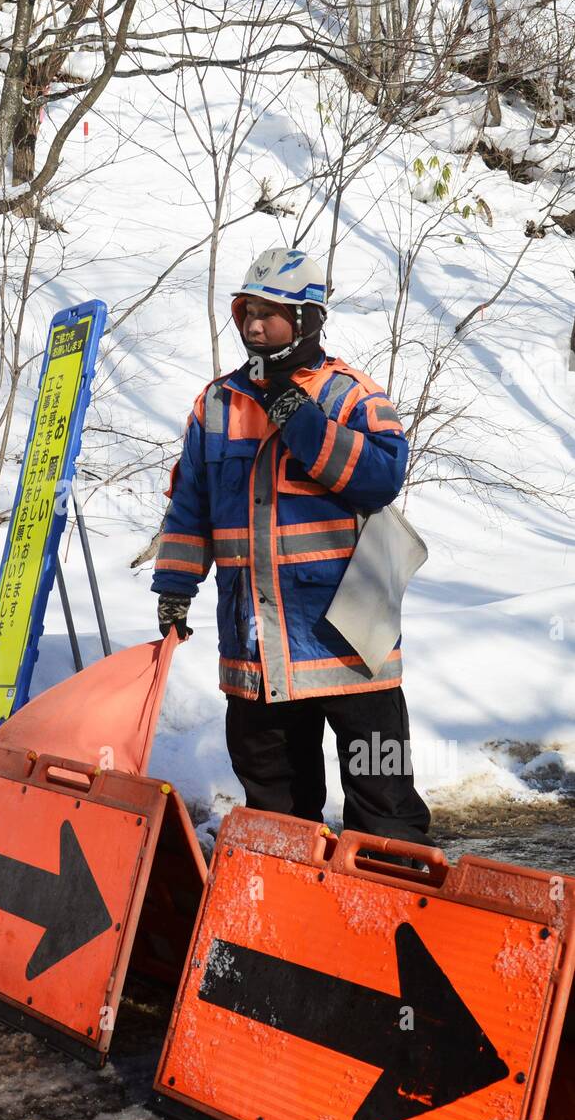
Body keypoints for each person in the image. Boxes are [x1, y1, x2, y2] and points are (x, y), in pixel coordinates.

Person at [152, 247, 434, 851]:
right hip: (257, 652)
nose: (254, 325)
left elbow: (383, 476)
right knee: (277, 809)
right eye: (246, 311)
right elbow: (189, 508)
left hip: (353, 650)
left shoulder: (351, 395)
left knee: (383, 802)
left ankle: (389, 909)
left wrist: (300, 421)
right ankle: (287, 924)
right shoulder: (218, 404)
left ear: (306, 319)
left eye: (270, 313)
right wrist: (175, 588)